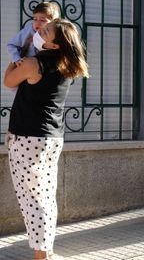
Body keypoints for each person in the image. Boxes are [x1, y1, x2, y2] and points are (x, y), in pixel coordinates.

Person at [4, 18, 88, 260]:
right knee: (45, 196)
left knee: (30, 198)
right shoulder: (68, 66)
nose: (40, 29)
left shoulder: (33, 63)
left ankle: (42, 254)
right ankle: (47, 250)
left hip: (28, 138)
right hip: (51, 138)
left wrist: (18, 53)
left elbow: (8, 81)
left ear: (54, 45)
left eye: (47, 30)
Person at [7, 2, 60, 67]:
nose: (37, 23)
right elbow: (11, 44)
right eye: (35, 19)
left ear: (53, 23)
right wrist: (16, 59)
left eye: (42, 20)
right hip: (24, 66)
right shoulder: (28, 31)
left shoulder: (55, 37)